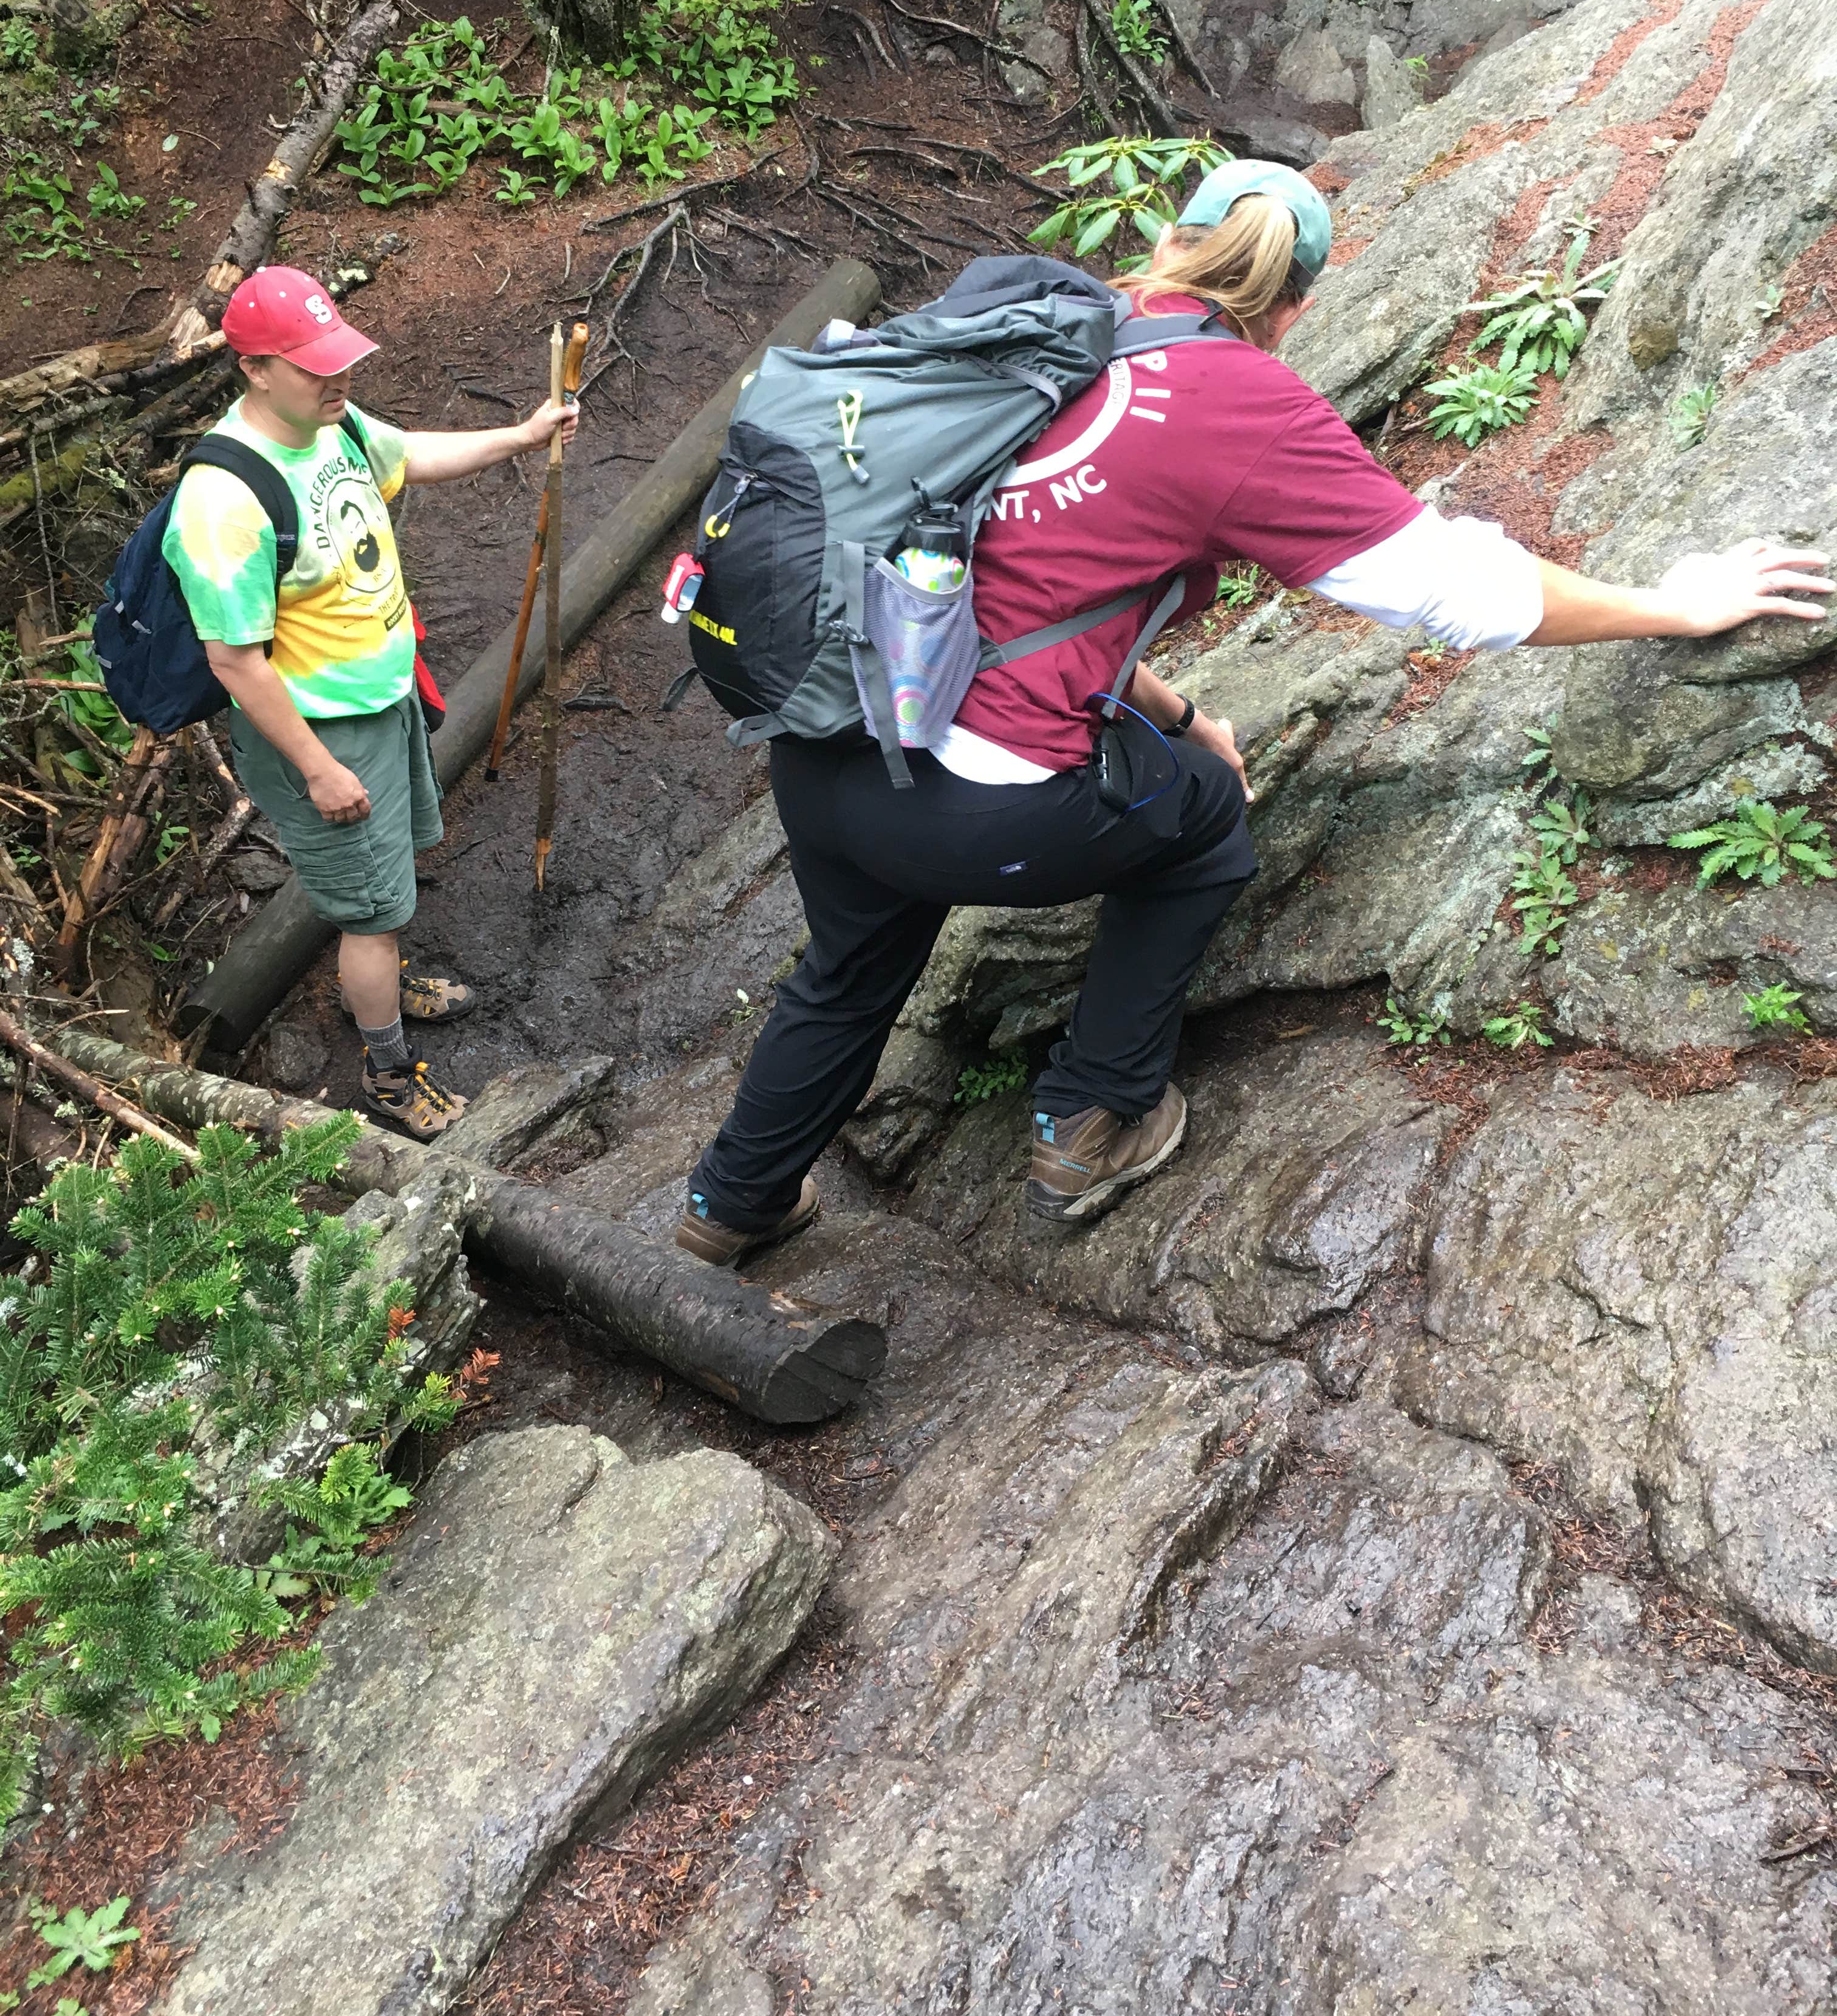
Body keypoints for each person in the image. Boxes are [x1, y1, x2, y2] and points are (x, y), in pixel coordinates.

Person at [676, 159, 1831, 1264]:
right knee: (1207, 822)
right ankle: (1093, 1120)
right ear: (1293, 308)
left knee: (849, 967)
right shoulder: (1230, 398)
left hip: (823, 746)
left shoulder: (1035, 336)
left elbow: (1016, 590)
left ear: (1169, 245)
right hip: (971, 805)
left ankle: (731, 1206)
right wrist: (1674, 609)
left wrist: (1175, 718)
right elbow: (1453, 590)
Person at [162, 266, 578, 1140]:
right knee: (368, 911)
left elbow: (410, 456)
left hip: (381, 702)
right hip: (323, 734)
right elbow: (235, 662)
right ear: (255, 368)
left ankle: (380, 975)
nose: (339, 377)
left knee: (381, 895)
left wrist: (523, 433)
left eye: (341, 357)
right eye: (315, 365)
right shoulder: (223, 501)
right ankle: (388, 1071)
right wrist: (317, 770)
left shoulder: (333, 424)